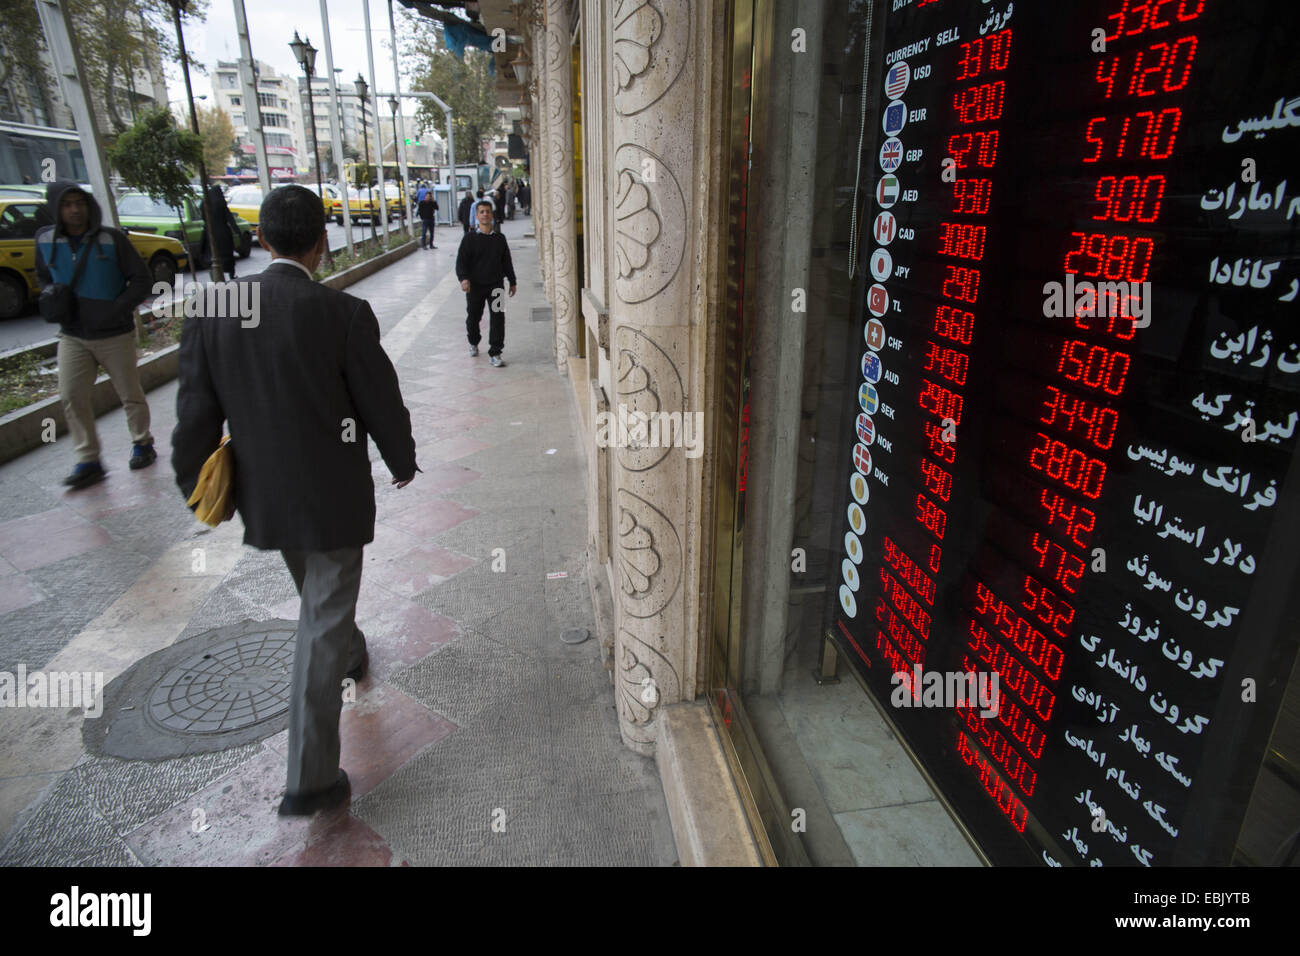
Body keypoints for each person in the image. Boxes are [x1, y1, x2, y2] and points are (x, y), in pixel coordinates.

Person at [172, 184, 418, 817]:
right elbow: (379, 399)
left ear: (261, 239)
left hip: (267, 499)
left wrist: (190, 483)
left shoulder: (213, 309)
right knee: (321, 622)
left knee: (323, 599)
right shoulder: (342, 315)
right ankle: (309, 776)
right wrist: (401, 460)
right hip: (332, 497)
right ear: (321, 241)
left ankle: (353, 648)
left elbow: (195, 413)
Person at [35, 181, 155, 489]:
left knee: (129, 392)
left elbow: (141, 278)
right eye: (67, 204)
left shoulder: (111, 239)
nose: (75, 209)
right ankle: (88, 458)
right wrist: (52, 298)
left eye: (80, 203)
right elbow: (44, 277)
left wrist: (118, 308)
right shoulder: (45, 240)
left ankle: (142, 442)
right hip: (72, 334)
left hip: (114, 332)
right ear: (56, 209)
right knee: (72, 396)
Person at [456, 200, 516, 367]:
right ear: (476, 216)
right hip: (475, 286)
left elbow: (507, 261)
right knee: (473, 317)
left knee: (498, 318)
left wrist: (512, 281)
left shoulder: (499, 239)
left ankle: (495, 352)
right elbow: (461, 262)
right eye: (481, 212)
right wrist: (464, 279)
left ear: (492, 215)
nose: (485, 214)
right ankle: (473, 341)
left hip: (496, 285)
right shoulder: (469, 239)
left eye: (487, 211)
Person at [206, 182, 240, 280]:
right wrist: (237, 231)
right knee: (228, 257)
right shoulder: (221, 203)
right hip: (224, 234)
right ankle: (231, 275)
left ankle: (216, 276)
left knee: (214, 256)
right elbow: (230, 218)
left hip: (211, 234)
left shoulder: (206, 204)